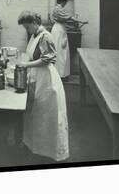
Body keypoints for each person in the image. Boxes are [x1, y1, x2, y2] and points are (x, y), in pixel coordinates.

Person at [16, 11, 69, 162]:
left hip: (46, 79)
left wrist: (26, 64)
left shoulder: (45, 36)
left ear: (34, 23)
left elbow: (48, 59)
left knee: (47, 115)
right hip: (37, 76)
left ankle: (50, 150)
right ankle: (36, 146)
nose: (27, 30)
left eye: (27, 27)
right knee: (36, 113)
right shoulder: (35, 35)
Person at [51, 0, 88, 78]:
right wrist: (81, 21)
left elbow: (62, 21)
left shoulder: (57, 9)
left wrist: (70, 27)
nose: (66, 4)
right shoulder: (58, 9)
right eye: (66, 2)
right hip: (59, 31)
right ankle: (59, 74)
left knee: (60, 51)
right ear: (63, 1)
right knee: (60, 52)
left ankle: (59, 73)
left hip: (59, 29)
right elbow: (69, 17)